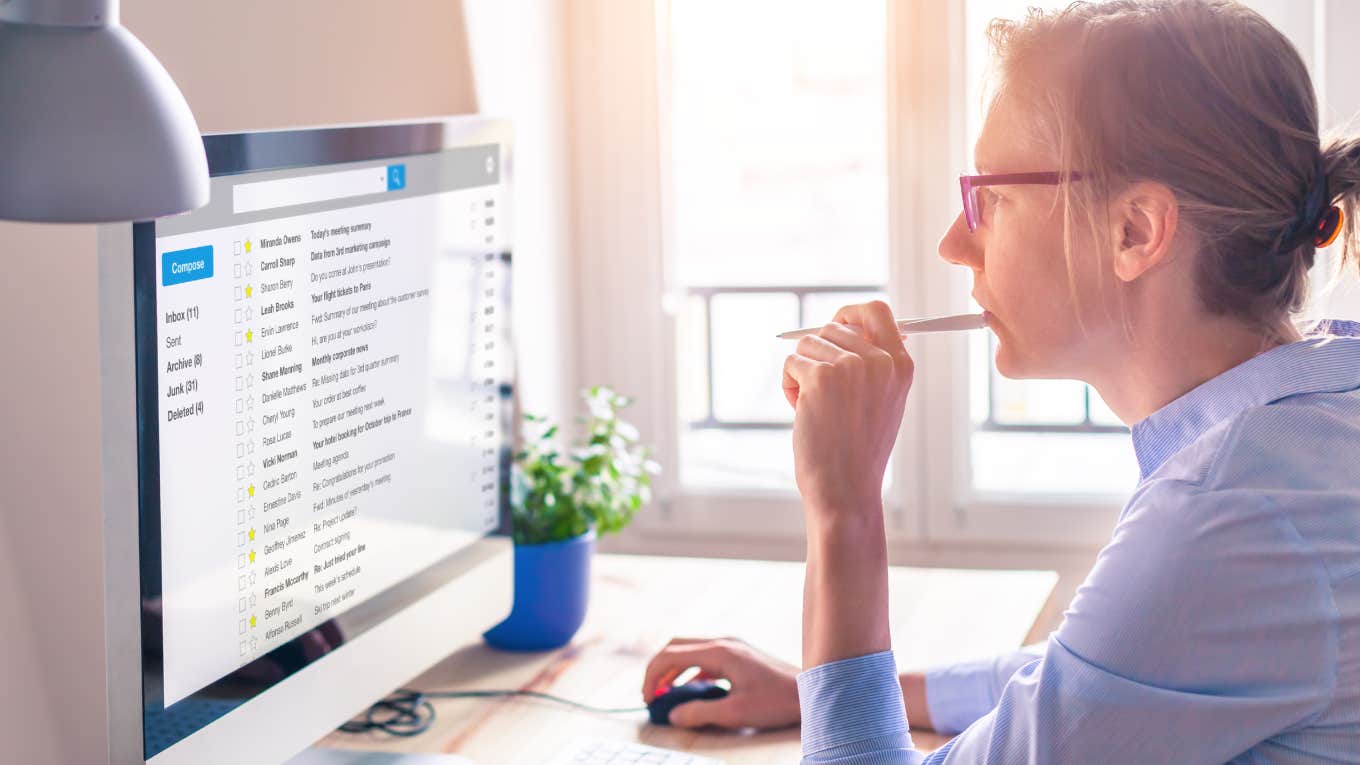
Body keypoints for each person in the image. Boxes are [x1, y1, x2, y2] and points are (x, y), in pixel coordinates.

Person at [641, 1, 1360, 762]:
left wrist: (845, 507)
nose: (956, 243)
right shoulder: (1306, 428)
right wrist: (816, 689)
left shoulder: (1228, 514)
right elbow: (1098, 678)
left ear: (1136, 231)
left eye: (992, 198)